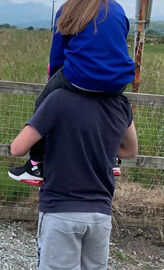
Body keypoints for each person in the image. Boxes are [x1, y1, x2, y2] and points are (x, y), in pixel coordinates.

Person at [8, 0, 135, 185]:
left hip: (80, 76)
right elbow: (118, 45)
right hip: (117, 82)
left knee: (43, 104)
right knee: (111, 107)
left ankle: (37, 164)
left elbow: (58, 53)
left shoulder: (70, 7)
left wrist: (54, 82)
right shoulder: (118, 11)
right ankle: (113, 157)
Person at [10, 89, 138, 270]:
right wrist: (100, 146)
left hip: (61, 209)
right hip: (100, 214)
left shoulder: (59, 98)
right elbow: (130, 150)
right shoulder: (120, 103)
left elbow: (17, 148)